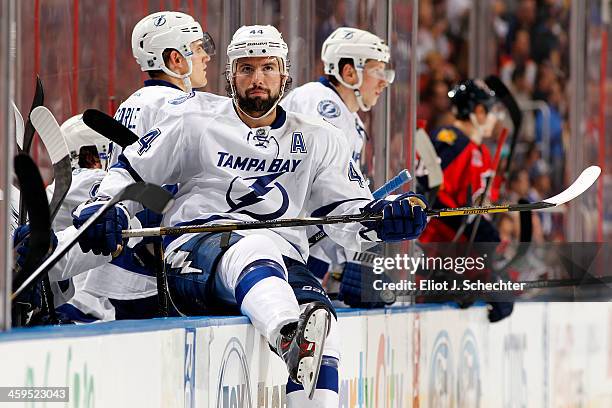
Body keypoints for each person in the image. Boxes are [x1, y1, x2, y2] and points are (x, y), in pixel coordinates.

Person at [73, 25, 427, 406]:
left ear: (285, 75)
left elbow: (350, 215)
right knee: (254, 247)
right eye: (246, 69)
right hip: (194, 256)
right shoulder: (193, 120)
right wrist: (103, 207)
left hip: (280, 259)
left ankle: (300, 345)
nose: (257, 79)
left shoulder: (318, 138)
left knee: (323, 322)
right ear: (231, 75)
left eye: (267, 68)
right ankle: (286, 334)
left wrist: (385, 219)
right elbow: (129, 170)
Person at [69, 11, 215, 321]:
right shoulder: (177, 107)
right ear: (176, 59)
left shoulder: (134, 101)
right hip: (151, 268)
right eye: (198, 47)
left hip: (121, 265)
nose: (205, 56)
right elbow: (155, 189)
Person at [282, 27, 396, 307]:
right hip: (287, 243)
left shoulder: (347, 115)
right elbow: (321, 190)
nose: (384, 82)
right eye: (378, 71)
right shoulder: (319, 104)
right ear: (349, 73)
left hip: (310, 248)